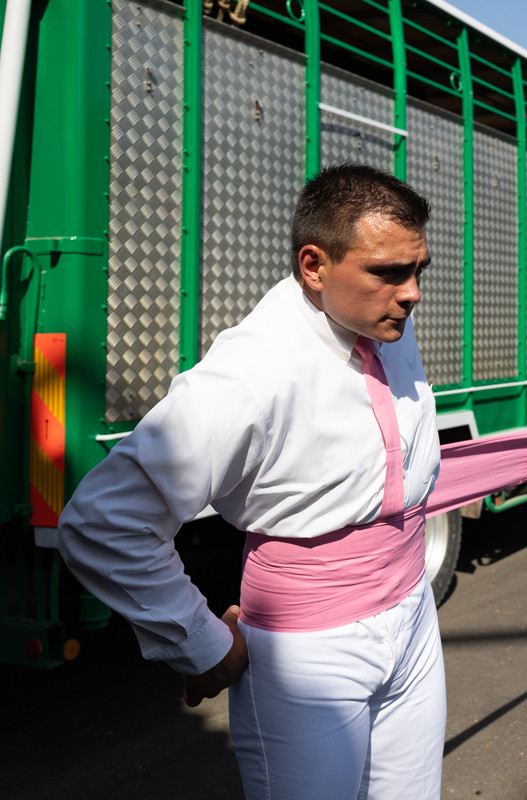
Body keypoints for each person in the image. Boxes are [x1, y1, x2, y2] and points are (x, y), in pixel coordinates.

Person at [57, 163, 445, 799]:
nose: (412, 293)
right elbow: (103, 521)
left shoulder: (382, 320)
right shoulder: (252, 372)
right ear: (314, 266)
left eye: (418, 270)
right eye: (388, 272)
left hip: (413, 614)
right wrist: (202, 644)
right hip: (309, 651)